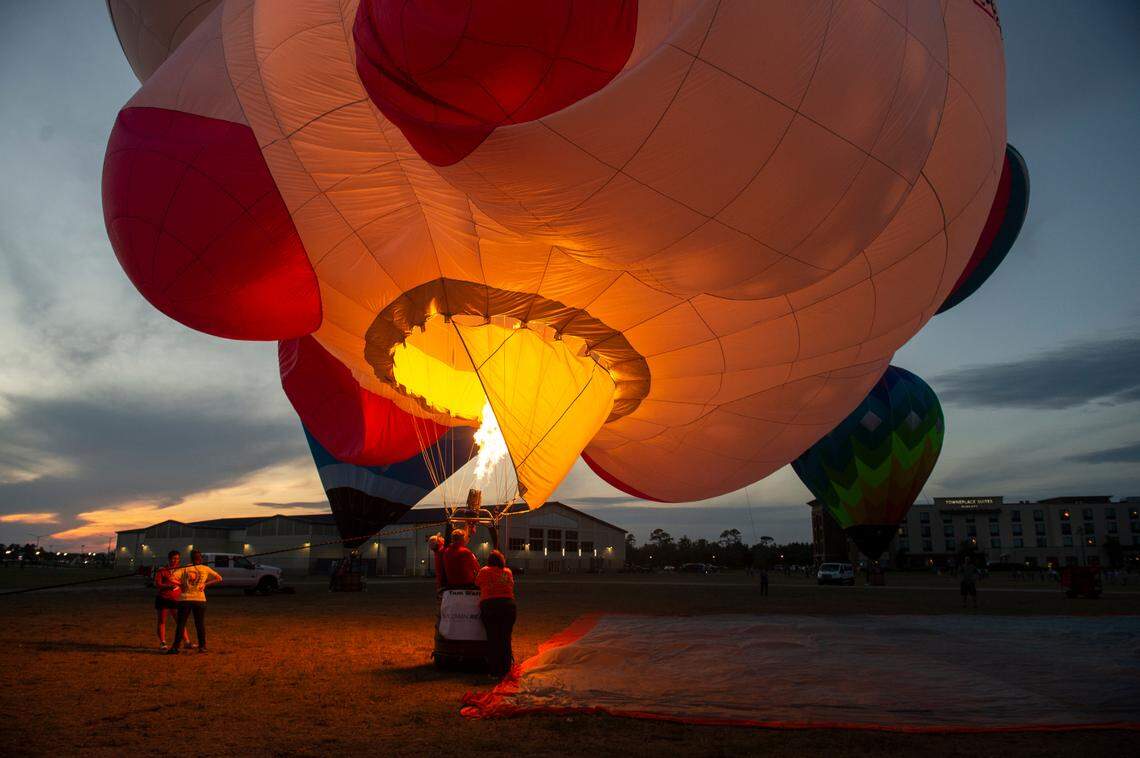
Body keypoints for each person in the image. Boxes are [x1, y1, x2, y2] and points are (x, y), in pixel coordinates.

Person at [168, 550, 222, 654]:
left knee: (181, 624)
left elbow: (171, 578)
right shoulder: (205, 568)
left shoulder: (184, 568)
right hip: (200, 599)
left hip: (185, 599)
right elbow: (219, 578)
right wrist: (205, 584)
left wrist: (180, 584)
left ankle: (175, 647)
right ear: (200, 558)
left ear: (191, 558)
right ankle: (202, 646)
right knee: (200, 624)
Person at [475, 550, 516, 677]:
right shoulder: (507, 571)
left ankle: (494, 670)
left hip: (490, 605)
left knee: (493, 638)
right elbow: (511, 585)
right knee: (505, 638)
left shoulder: (484, 571)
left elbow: (477, 583)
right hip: (509, 605)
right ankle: (506, 669)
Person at [154, 550, 191, 650]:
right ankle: (163, 642)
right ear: (169, 558)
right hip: (163, 598)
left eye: (178, 559)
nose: (175, 560)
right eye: (174, 558)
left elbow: (184, 582)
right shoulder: (162, 570)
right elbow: (157, 584)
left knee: (180, 621)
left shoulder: (181, 570)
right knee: (162, 620)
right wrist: (167, 586)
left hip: (176, 599)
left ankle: (187, 641)